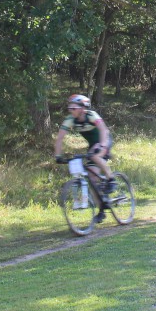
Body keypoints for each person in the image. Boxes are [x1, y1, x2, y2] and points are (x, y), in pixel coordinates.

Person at [54, 94, 115, 222]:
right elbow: (59, 138)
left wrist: (103, 145)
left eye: (74, 107)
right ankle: (101, 210)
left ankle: (111, 178)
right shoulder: (70, 120)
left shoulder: (91, 115)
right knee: (92, 180)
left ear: (82, 108)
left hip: (104, 140)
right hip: (93, 145)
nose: (71, 110)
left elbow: (103, 130)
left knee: (94, 155)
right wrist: (58, 156)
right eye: (70, 107)